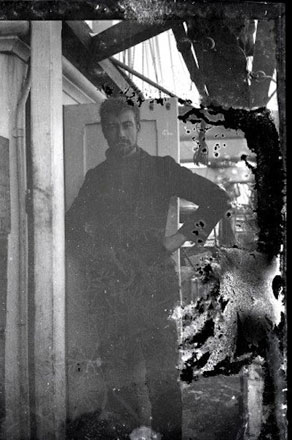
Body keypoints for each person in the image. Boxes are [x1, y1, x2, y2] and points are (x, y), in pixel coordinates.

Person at [65, 96, 231, 439]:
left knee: (163, 379)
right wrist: (99, 259)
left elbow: (217, 199)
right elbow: (72, 230)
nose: (121, 134)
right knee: (118, 381)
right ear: (105, 131)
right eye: (113, 127)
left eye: (127, 125)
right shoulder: (96, 178)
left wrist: (178, 239)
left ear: (138, 127)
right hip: (112, 292)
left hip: (155, 288)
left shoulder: (161, 168)